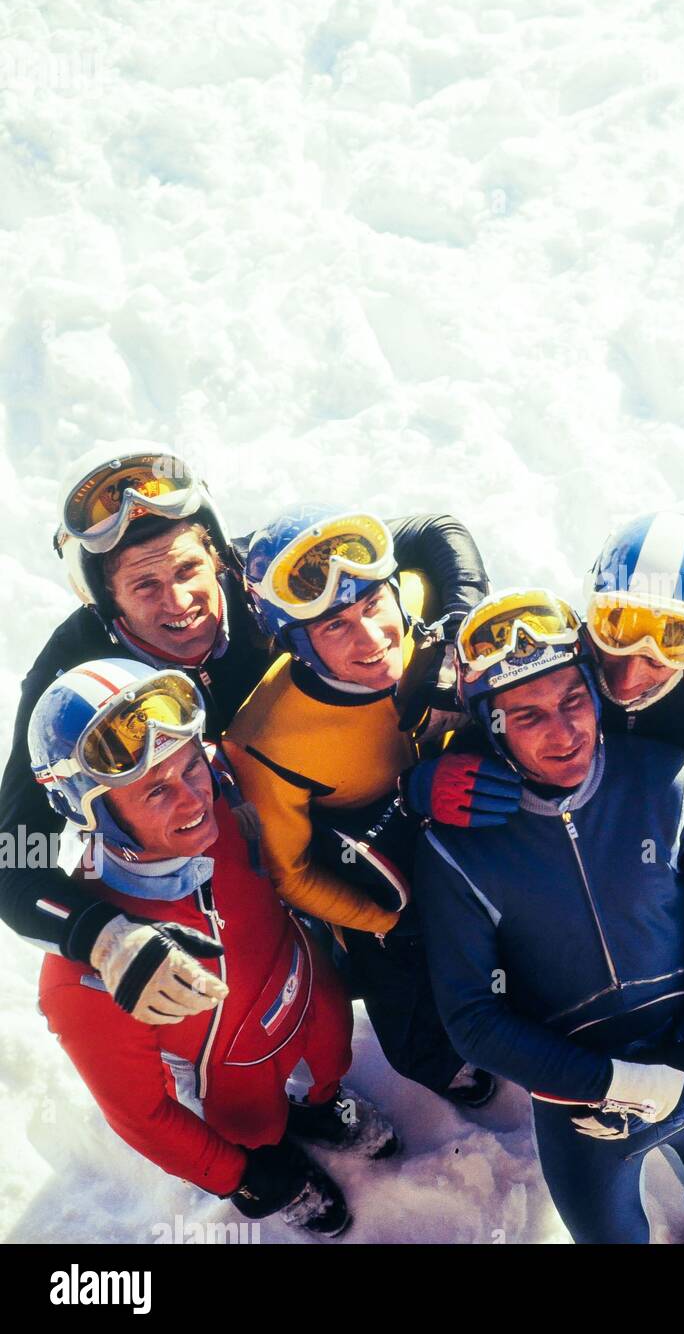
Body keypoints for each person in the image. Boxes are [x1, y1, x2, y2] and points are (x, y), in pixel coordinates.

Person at [0, 441, 491, 1008]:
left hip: (334, 779)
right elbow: (16, 851)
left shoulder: (271, 573)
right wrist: (102, 936)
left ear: (219, 557)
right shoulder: (70, 670)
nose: (181, 601)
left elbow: (435, 531)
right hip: (206, 819)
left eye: (188, 568)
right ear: (104, 603)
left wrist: (459, 636)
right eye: (145, 586)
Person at [415, 589, 684, 1243]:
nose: (563, 732)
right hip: (578, 1103)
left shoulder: (671, 781)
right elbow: (471, 1018)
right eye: (528, 716)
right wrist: (620, 1083)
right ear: (492, 728)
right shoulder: (453, 847)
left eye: (574, 701)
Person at [30, 659, 397, 1239]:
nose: (194, 798)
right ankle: (284, 1167)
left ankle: (321, 1103)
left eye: (191, 765)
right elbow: (142, 1115)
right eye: (155, 789)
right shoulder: (90, 975)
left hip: (309, 988)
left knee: (332, 1060)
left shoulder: (227, 792)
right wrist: (241, 1176)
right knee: (259, 1134)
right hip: (234, 1079)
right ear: (93, 812)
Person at [222, 506, 494, 1107]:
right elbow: (291, 875)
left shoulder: (420, 613)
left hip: (461, 812)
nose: (372, 641)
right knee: (405, 995)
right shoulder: (264, 739)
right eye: (334, 628)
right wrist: (386, 924)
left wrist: (457, 623)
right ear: (295, 643)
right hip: (375, 865)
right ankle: (439, 1062)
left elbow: (442, 527)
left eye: (372, 607)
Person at [411, 512, 684, 831]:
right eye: (616, 633)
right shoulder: (551, 658)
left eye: (669, 646)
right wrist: (417, 787)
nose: (626, 681)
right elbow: (495, 719)